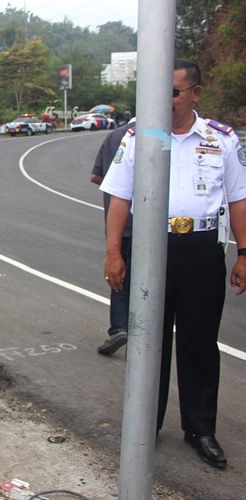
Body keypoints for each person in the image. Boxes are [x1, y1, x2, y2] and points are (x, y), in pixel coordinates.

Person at [101, 59, 246, 470]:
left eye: (175, 92)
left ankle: (201, 429)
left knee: (200, 341)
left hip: (201, 248)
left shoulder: (221, 139)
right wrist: (114, 252)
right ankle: (147, 423)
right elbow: (119, 198)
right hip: (151, 245)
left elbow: (238, 199)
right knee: (150, 338)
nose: (165, 100)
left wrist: (244, 254)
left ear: (196, 93)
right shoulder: (141, 136)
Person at [90, 118, 135, 355]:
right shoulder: (163, 134)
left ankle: (119, 327)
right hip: (152, 224)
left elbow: (96, 177)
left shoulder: (114, 136)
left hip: (119, 222)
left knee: (119, 274)